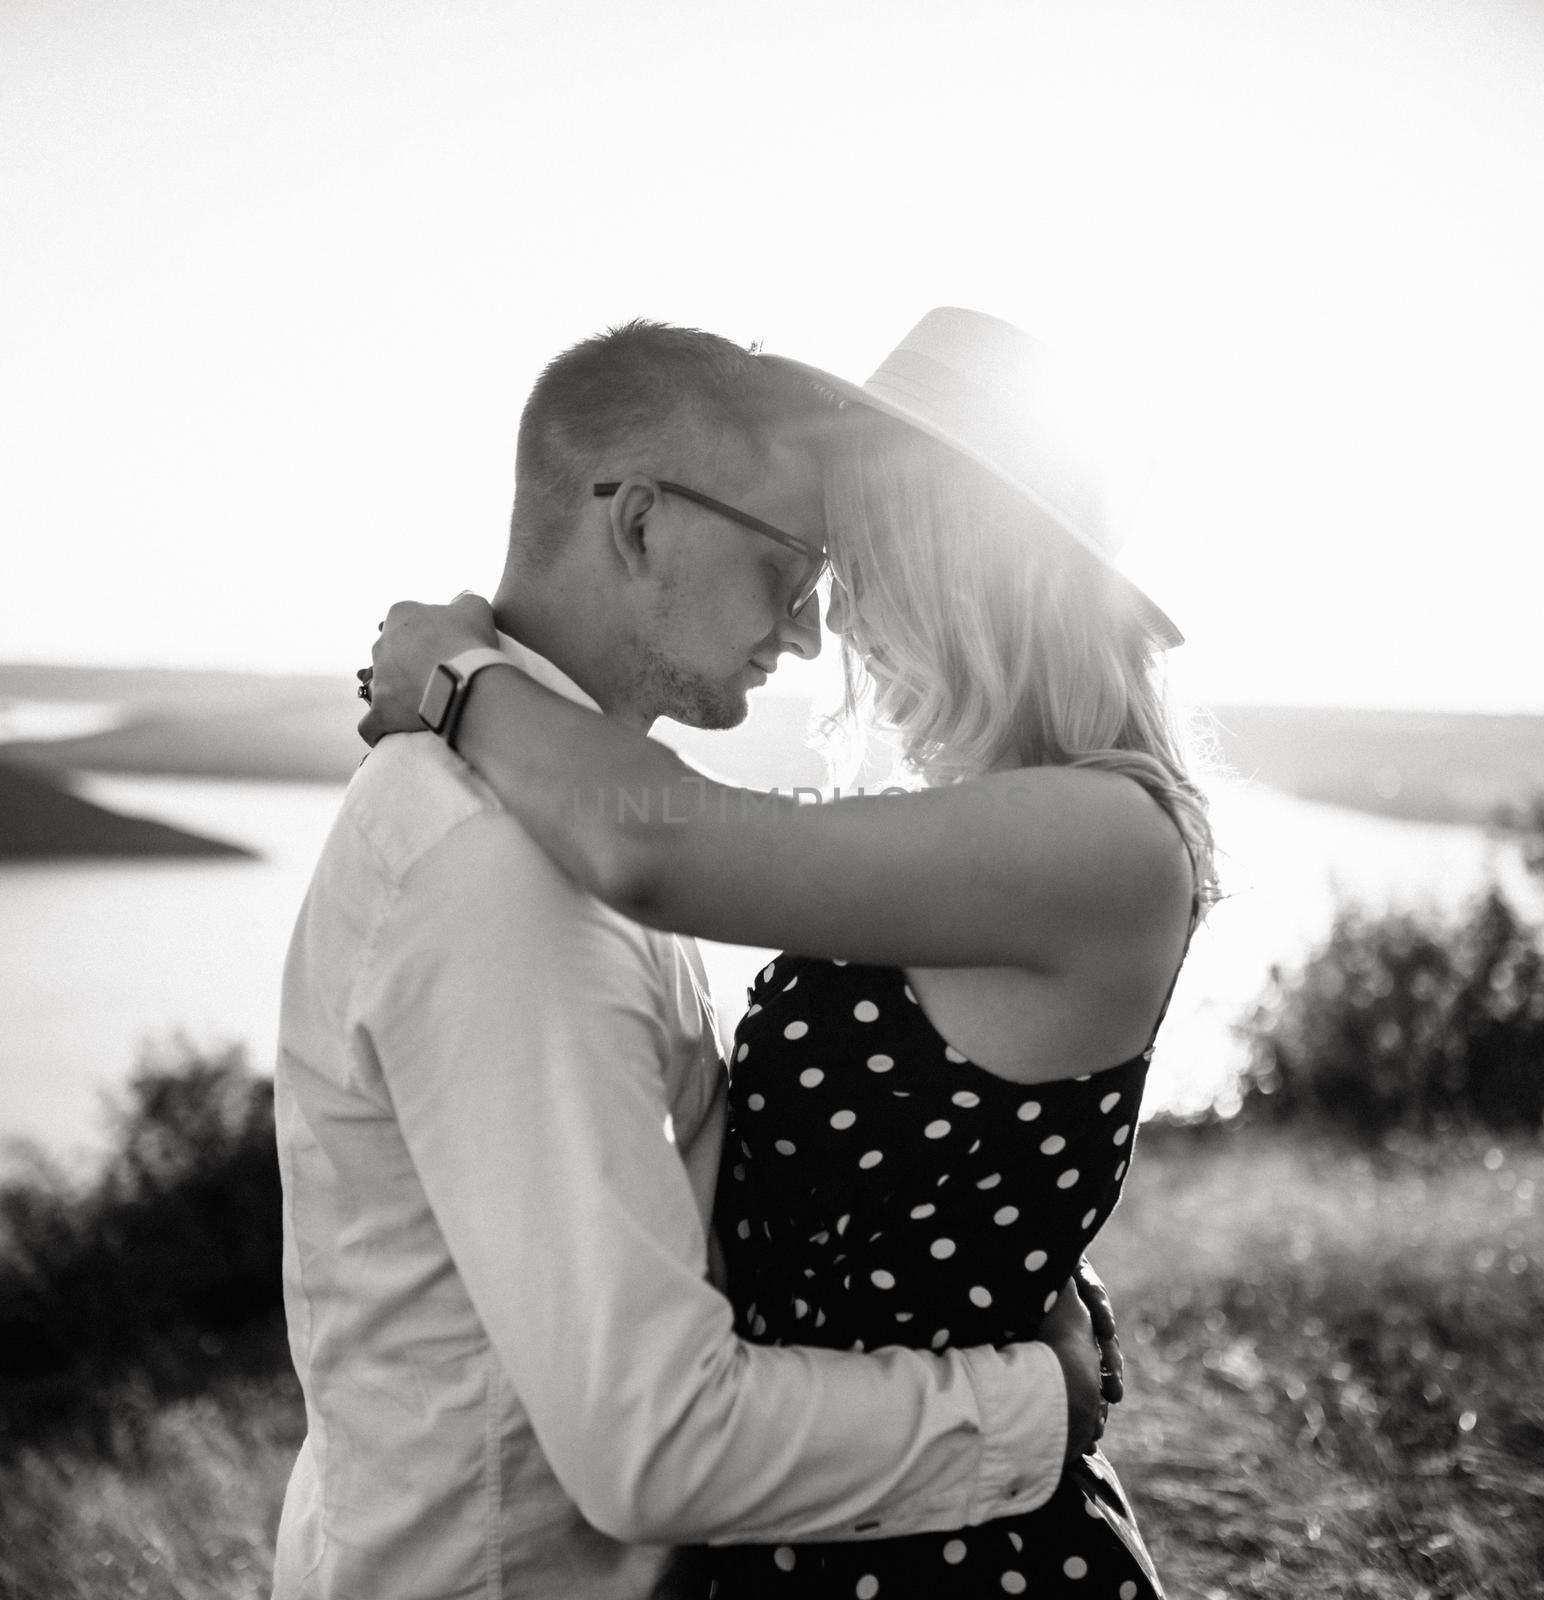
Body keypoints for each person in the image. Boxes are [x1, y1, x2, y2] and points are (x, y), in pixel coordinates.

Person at [361, 307, 1216, 1598]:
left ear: (960, 557)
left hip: (963, 1565)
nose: (836, 615)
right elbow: (959, 1161)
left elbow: (658, 844)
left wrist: (459, 674)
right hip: (819, 1528)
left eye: (859, 552)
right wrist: (1028, 1286)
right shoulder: (996, 825)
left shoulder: (1106, 836)